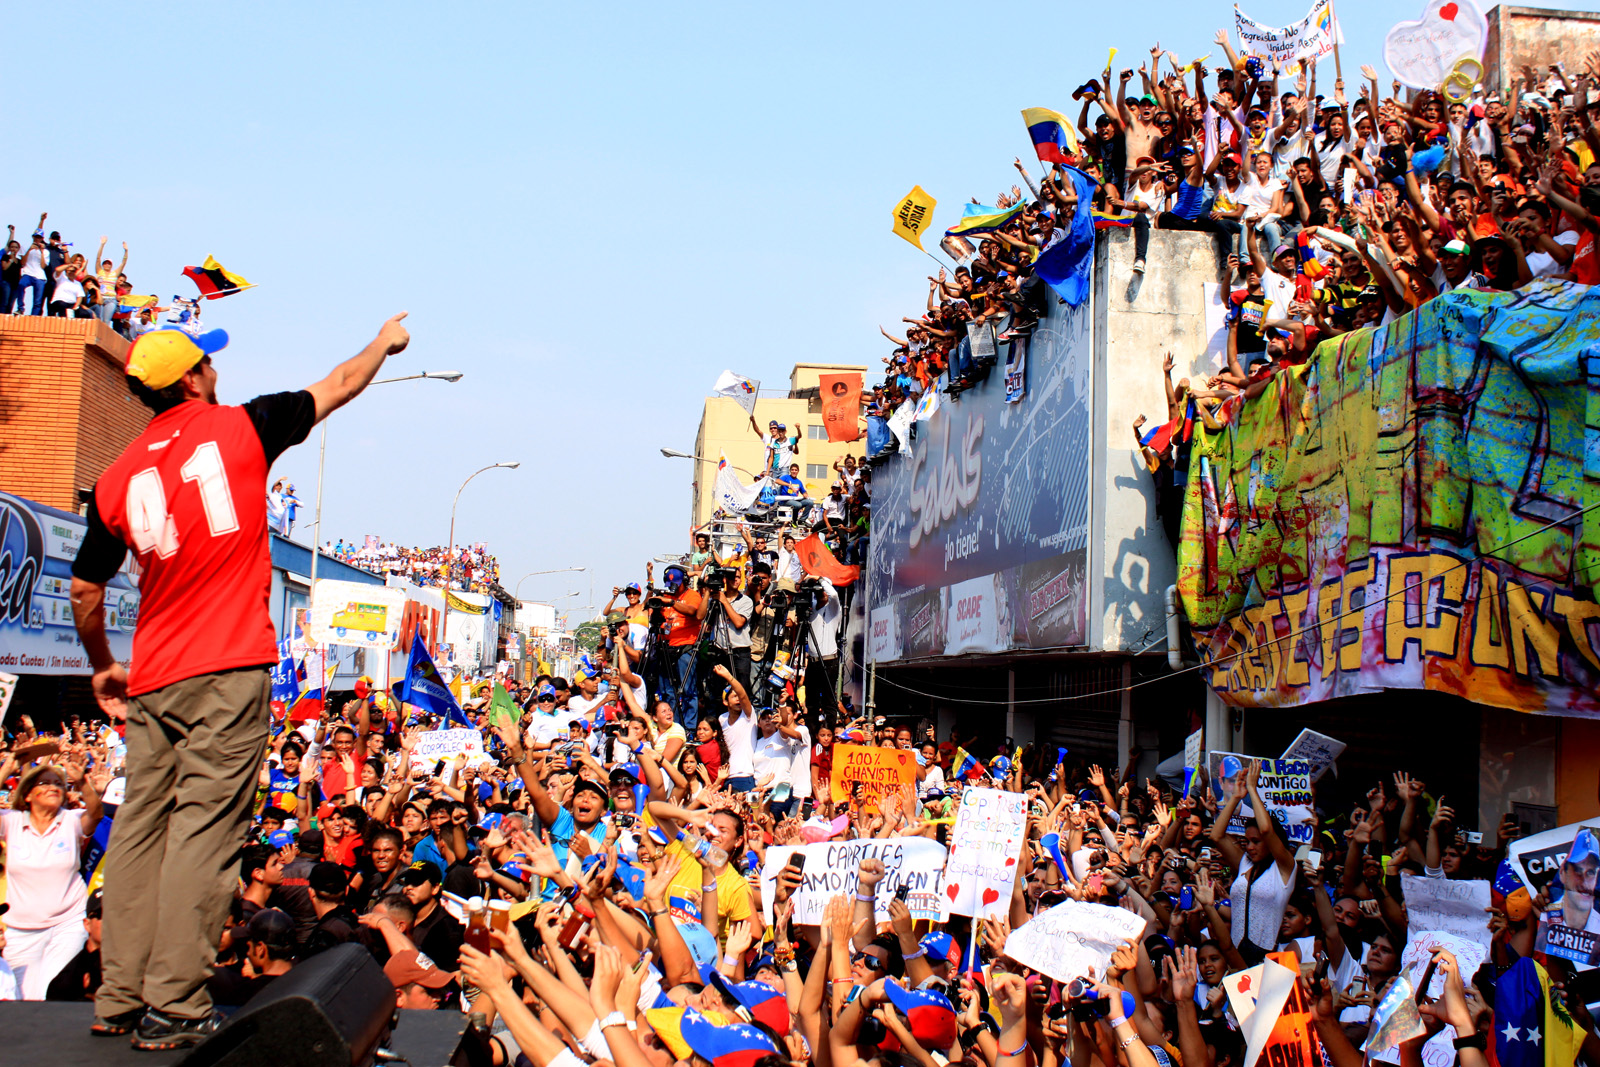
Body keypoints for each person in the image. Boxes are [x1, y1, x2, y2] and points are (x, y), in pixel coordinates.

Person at [68, 311, 411, 1049]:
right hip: (226, 666)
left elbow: (84, 591)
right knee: (204, 830)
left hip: (154, 672)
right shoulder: (243, 427)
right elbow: (341, 383)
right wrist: (382, 342)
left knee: (139, 828)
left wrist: (101, 663)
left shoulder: (116, 475)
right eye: (207, 362)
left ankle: (120, 994)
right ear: (192, 377)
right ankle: (173, 1002)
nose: (216, 370)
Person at [1, 761, 105, 999]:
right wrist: (7, 770)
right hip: (20, 929)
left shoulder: (71, 820)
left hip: (66, 923)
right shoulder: (11, 821)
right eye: (44, 783)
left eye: (59, 783)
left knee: (53, 989)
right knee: (25, 998)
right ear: (27, 795)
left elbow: (96, 813)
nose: (53, 787)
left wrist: (81, 782)